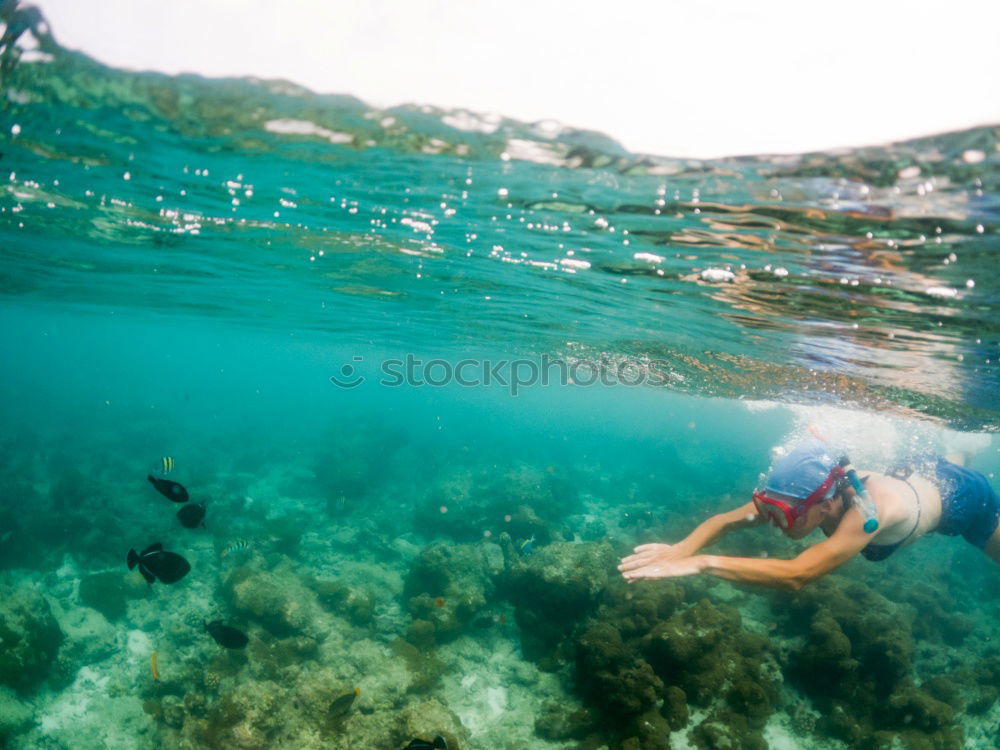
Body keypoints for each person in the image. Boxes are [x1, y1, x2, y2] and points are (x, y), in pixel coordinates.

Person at [618, 440, 1000, 590]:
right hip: (915, 471)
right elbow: (724, 521)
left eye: (782, 514)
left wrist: (701, 563)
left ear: (827, 505)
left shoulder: (870, 511)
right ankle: (962, 448)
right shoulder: (805, 492)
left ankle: (964, 454)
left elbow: (798, 574)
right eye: (767, 508)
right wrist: (681, 548)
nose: (772, 521)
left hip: (964, 505)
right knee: (944, 463)